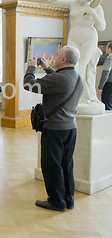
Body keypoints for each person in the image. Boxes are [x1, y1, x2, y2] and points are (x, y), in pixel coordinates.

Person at [24, 46, 84, 211]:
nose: (54, 56)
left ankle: (56, 201)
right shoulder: (77, 78)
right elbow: (60, 82)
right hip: (70, 128)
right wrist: (47, 68)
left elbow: (29, 85)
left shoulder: (59, 79)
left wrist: (31, 67)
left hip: (55, 129)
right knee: (66, 165)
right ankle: (68, 199)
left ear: (63, 59)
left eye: (57, 55)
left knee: (51, 166)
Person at [49, 0, 106, 106]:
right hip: (74, 36)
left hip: (88, 37)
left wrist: (93, 14)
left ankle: (79, 95)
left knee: (82, 66)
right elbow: (53, 0)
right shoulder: (72, 3)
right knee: (73, 66)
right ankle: (74, 94)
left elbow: (102, 26)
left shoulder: (95, 7)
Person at [98, 42, 112, 110]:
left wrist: (100, 87)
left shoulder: (109, 59)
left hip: (109, 84)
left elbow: (105, 74)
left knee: (107, 105)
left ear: (109, 49)